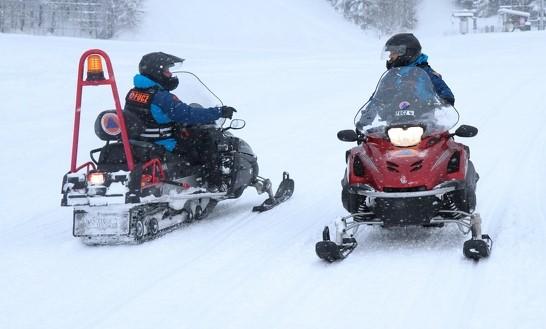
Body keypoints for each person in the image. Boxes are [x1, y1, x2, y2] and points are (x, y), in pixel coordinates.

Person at [124, 51, 237, 190]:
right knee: (208, 141)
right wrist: (218, 112)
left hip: (141, 142)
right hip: (164, 143)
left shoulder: (133, 93)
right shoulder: (161, 97)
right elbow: (187, 114)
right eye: (166, 70)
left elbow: (147, 117)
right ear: (156, 71)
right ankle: (214, 183)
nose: (170, 74)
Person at [383, 33, 455, 106]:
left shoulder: (426, 72)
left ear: (406, 54)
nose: (390, 55)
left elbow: (443, 89)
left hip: (424, 114)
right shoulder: (392, 75)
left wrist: (445, 100)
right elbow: (376, 99)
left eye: (393, 53)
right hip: (393, 115)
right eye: (390, 53)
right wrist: (371, 112)